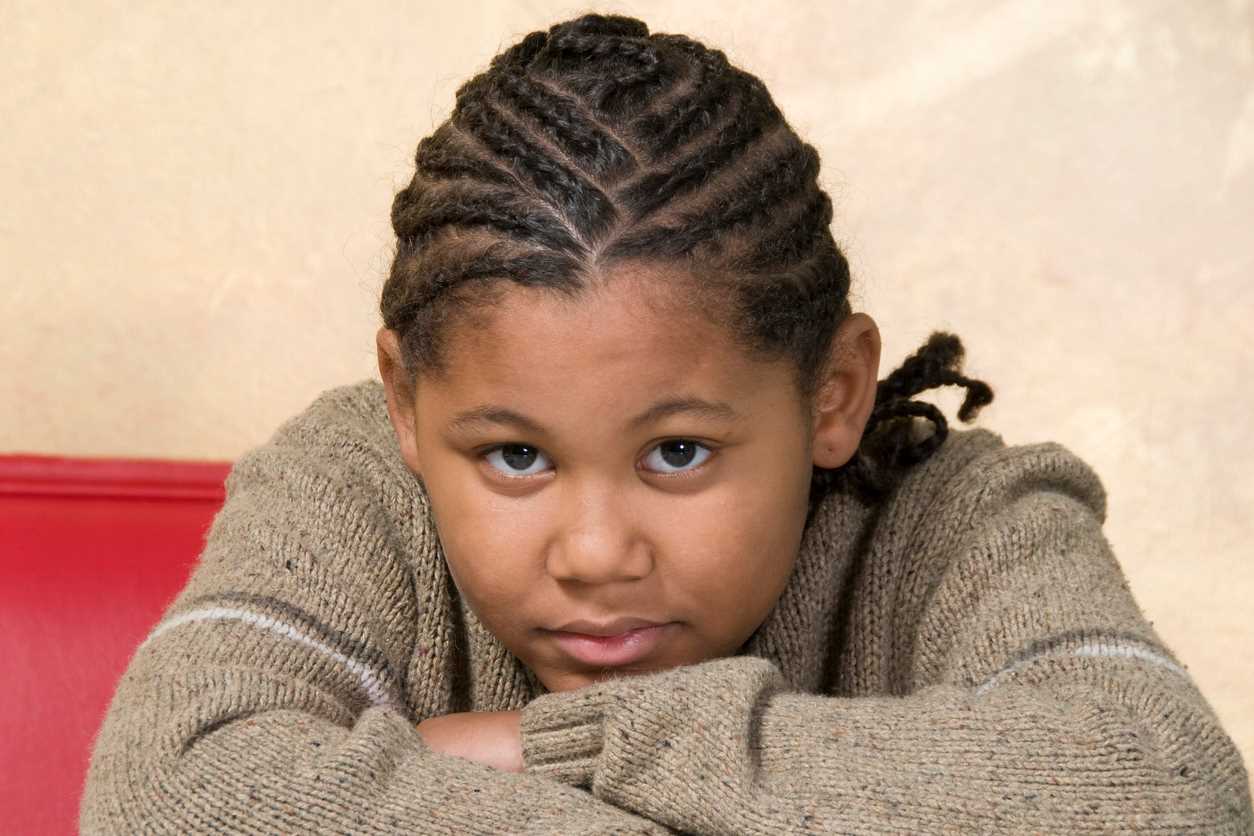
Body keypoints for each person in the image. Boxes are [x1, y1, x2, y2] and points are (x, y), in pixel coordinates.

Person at [80, 12, 1253, 834]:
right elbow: (162, 800)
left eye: (679, 451)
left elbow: (1169, 792)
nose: (595, 553)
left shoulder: (959, 518)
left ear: (833, 393)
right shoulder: (350, 481)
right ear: (405, 402)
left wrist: (556, 747)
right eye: (516, 456)